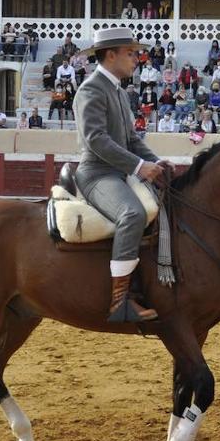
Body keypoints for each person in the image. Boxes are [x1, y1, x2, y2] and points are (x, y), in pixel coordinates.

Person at [72, 27, 172, 324]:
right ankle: (120, 303)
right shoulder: (91, 89)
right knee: (132, 214)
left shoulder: (116, 90)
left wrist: (156, 162)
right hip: (97, 174)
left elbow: (131, 139)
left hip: (117, 172)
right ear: (110, 55)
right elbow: (96, 140)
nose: (136, 59)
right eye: (130, 53)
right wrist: (140, 167)